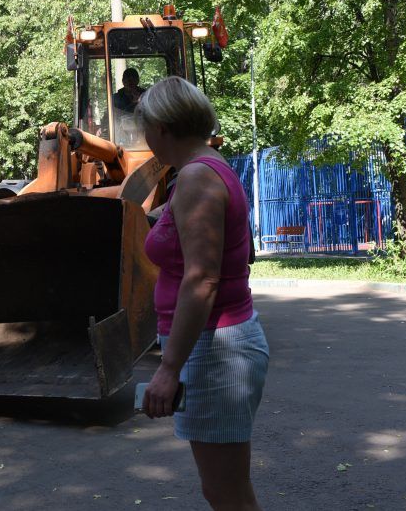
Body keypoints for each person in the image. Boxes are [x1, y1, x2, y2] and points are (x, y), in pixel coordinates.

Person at [137, 76, 269, 511]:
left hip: (217, 350)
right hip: (218, 344)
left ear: (161, 129)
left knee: (227, 494)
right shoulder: (205, 170)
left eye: (145, 128)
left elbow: (202, 280)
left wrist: (168, 369)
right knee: (223, 490)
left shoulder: (196, 178)